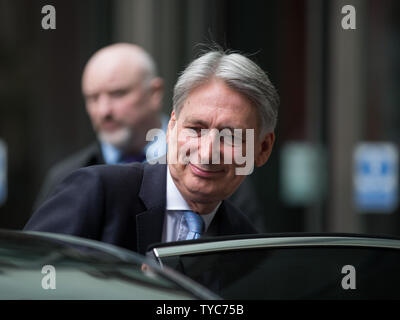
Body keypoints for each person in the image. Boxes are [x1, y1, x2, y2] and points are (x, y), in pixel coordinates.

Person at [25, 49, 279, 254]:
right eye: (196, 129)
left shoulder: (247, 246)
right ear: (171, 128)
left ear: (263, 149)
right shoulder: (96, 191)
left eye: (230, 136)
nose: (207, 152)